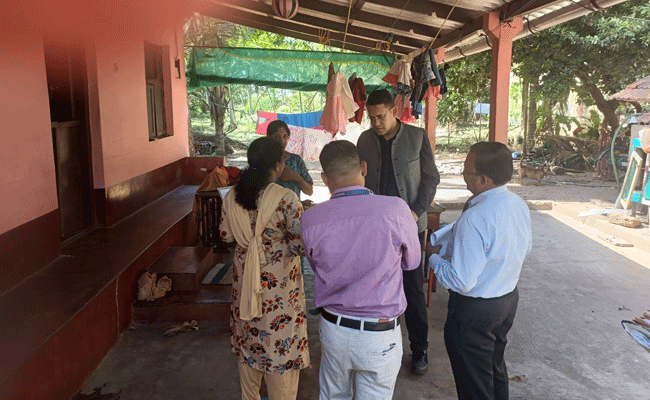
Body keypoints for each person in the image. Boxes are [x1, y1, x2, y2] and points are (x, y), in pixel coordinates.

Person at [301, 141, 421, 400]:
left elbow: (316, 266)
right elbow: (411, 262)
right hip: (380, 335)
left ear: (324, 178)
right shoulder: (396, 209)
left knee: (333, 395)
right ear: (363, 168)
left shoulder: (310, 218)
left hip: (334, 330)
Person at [429, 141, 532, 400]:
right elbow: (524, 247)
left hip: (475, 312)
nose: (463, 176)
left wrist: (433, 258)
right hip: (506, 300)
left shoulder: (475, 218)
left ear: (483, 180)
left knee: (474, 384)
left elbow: (460, 281)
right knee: (494, 369)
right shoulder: (517, 204)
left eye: (466, 172)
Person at [219, 137, 310, 400]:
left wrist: (249, 238)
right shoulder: (286, 199)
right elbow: (300, 246)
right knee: (280, 356)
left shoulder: (233, 196)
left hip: (245, 292)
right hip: (280, 298)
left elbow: (226, 235)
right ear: (278, 165)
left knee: (249, 351)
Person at [357, 89, 440, 374]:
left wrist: (415, 211)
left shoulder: (416, 137)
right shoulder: (364, 141)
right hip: (375, 228)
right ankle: (376, 348)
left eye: (380, 116)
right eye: (371, 118)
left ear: (394, 110)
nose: (376, 123)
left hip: (410, 227)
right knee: (375, 287)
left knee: (412, 288)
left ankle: (419, 350)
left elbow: (431, 178)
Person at [267, 120, 314, 199]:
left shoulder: (296, 160)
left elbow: (309, 191)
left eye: (285, 136)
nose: (282, 141)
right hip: (268, 206)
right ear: (269, 137)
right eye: (277, 136)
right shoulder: (263, 158)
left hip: (293, 206)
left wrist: (296, 178)